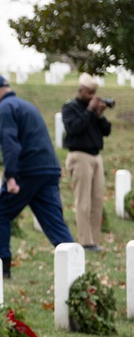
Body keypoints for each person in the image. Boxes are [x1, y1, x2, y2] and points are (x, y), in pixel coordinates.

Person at [0, 75, 74, 278]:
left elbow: (10, 143)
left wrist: (11, 176)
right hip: (48, 169)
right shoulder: (25, 106)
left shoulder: (4, 109)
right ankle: (76, 267)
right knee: (54, 223)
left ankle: (2, 268)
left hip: (27, 171)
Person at [62, 73, 112, 251]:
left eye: (94, 93)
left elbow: (106, 131)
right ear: (81, 90)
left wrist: (99, 115)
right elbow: (74, 128)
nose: (92, 96)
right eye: (89, 92)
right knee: (83, 201)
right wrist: (89, 111)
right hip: (79, 156)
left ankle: (94, 239)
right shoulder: (70, 108)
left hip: (96, 156)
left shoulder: (93, 111)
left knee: (97, 200)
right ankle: (85, 240)